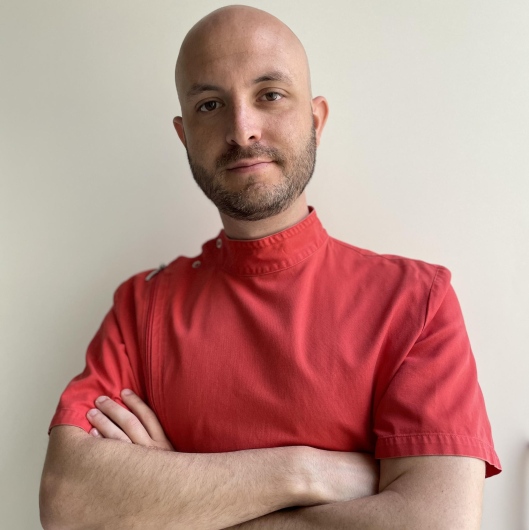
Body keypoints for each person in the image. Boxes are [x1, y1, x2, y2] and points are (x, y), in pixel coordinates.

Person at [39, 5, 501, 529]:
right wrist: (304, 471)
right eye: (210, 104)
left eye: (270, 95)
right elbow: (67, 503)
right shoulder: (141, 308)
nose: (243, 130)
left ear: (316, 120)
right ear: (185, 136)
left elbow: (437, 522)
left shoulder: (416, 302)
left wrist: (178, 501)